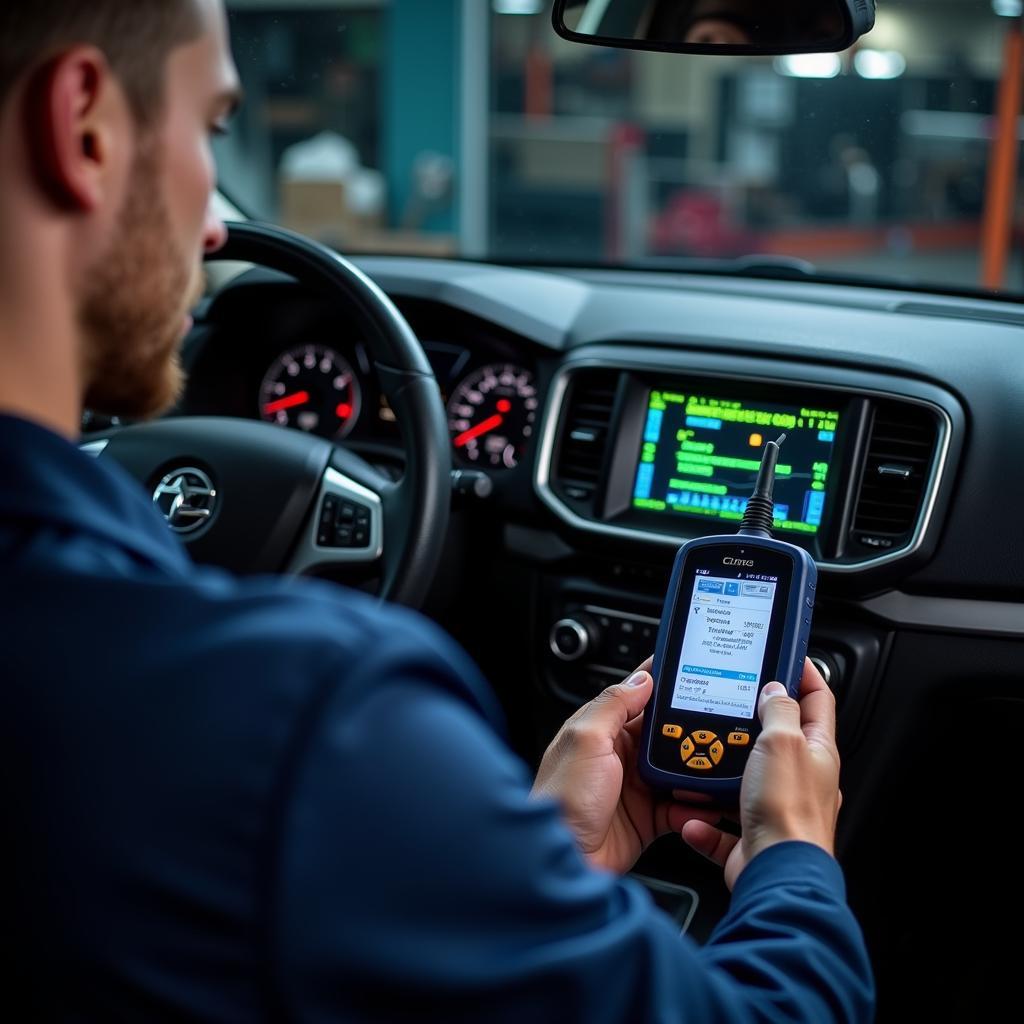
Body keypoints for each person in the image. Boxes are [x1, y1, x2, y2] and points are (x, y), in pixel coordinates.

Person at [0, 1, 874, 1020]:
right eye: (214, 129)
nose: (215, 225)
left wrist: (541, 867)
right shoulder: (315, 721)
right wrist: (793, 855)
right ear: (85, 125)